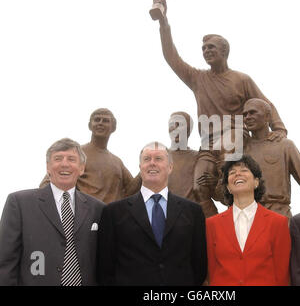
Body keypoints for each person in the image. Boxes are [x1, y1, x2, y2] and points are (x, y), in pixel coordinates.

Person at [153, 0, 287, 210]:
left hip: (234, 137)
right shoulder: (198, 79)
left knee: (231, 185)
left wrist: (278, 127)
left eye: (211, 47)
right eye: (204, 48)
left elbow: (265, 104)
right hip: (208, 143)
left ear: (224, 51)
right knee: (199, 187)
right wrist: (163, 23)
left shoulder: (241, 79)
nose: (206, 51)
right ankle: (214, 232)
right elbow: (172, 58)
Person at [97, 141, 207, 286]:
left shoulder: (193, 211)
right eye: (147, 159)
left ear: (170, 167)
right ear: (140, 167)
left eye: (158, 159)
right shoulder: (113, 212)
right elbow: (105, 268)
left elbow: (199, 266)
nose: (152, 163)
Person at [0, 138, 105, 285]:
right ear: (48, 167)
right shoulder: (19, 203)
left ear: (81, 168)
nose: (64, 164)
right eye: (58, 158)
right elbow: (6, 262)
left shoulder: (98, 209)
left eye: (71, 159)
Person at [206, 155, 291, 286]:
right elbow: (212, 271)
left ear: (256, 182)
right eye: (232, 172)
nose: (237, 174)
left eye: (244, 170)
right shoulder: (212, 225)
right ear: (228, 187)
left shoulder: (278, 223)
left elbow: (282, 274)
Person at [40, 108, 137, 204]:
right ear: (90, 125)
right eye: (97, 120)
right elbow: (48, 183)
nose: (100, 123)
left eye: (106, 121)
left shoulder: (117, 162)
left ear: (113, 127)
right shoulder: (76, 155)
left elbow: (132, 190)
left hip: (110, 216)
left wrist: (146, 168)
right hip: (84, 214)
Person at [242, 98, 300, 217]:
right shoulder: (242, 151)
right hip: (249, 216)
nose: (247, 117)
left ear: (267, 116)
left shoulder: (284, 145)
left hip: (279, 213)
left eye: (252, 112)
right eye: (245, 114)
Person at [168, 111, 218, 217]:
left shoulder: (200, 158)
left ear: (189, 130)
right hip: (167, 221)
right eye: (172, 125)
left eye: (180, 125)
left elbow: (218, 194)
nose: (175, 128)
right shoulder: (158, 158)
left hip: (193, 220)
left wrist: (215, 182)